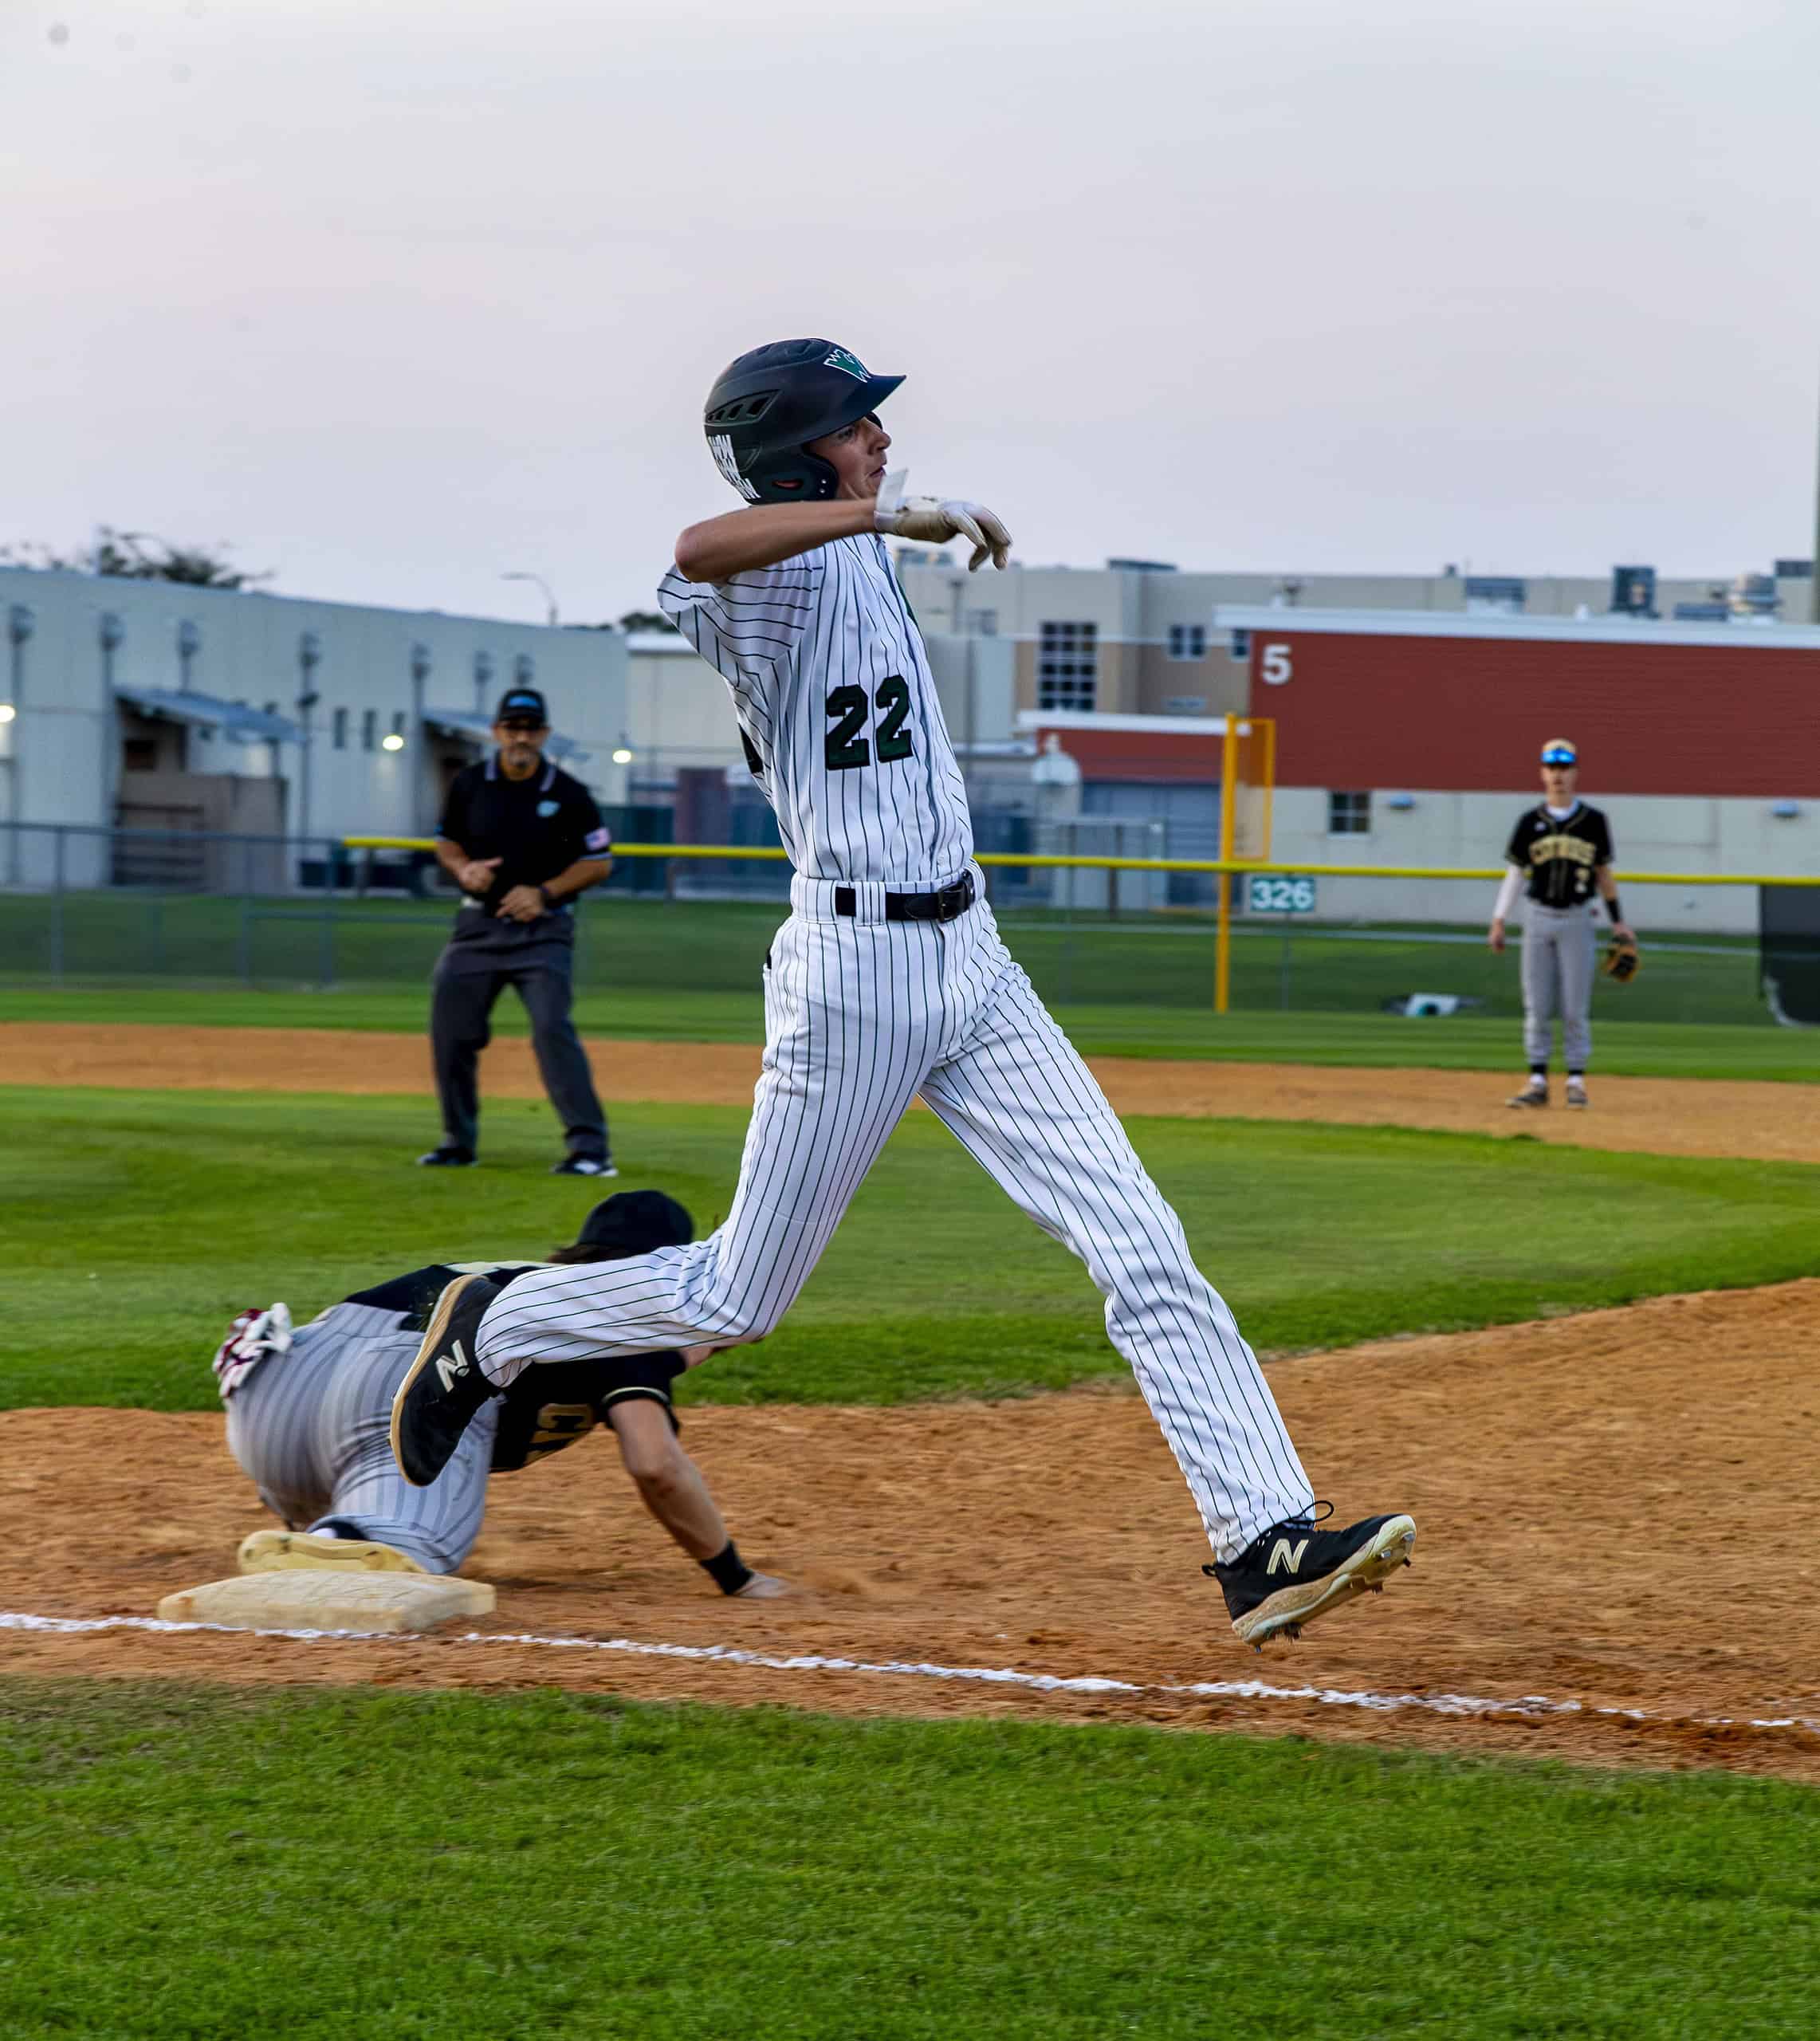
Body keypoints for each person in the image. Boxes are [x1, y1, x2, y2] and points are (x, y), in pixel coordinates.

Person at [391, 336, 1415, 1650]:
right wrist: (879, 510)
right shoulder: (764, 581)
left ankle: (1260, 1539)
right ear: (799, 447)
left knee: (1142, 1244)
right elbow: (692, 553)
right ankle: (499, 1319)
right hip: (854, 972)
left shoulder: (851, 549)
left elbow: (814, 529)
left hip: (973, 959)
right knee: (733, 1302)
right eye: (857, 424)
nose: (882, 438)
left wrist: (878, 521)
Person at [214, 1191, 784, 1599]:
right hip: (387, 1388)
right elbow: (655, 1464)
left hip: (272, 1393)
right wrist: (735, 1576)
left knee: (389, 1439)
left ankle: (321, 1521)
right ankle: (348, 1535)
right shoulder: (625, 1311)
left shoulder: (531, 1280)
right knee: (414, 1547)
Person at [419, 682, 616, 1176]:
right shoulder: (470, 785)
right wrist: (463, 869)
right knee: (451, 1031)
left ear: (544, 733)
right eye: (512, 727)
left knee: (552, 1029)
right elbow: (446, 842)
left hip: (543, 930)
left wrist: (544, 893)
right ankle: (457, 1142)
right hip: (477, 926)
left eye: (530, 728)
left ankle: (591, 1151)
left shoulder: (567, 794)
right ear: (497, 732)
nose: (521, 737)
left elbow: (597, 862)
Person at [1489, 738, 1636, 1110]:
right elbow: (1515, 874)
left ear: (1575, 773)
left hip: (1577, 917)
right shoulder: (1528, 823)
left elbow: (1604, 874)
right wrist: (1499, 918)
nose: (1558, 775)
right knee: (1536, 1004)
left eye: (1565, 767)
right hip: (1536, 917)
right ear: (1542, 773)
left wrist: (1619, 923)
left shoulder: (1594, 822)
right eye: (1551, 768)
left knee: (1574, 1006)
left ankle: (1576, 1081)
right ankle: (1537, 1080)